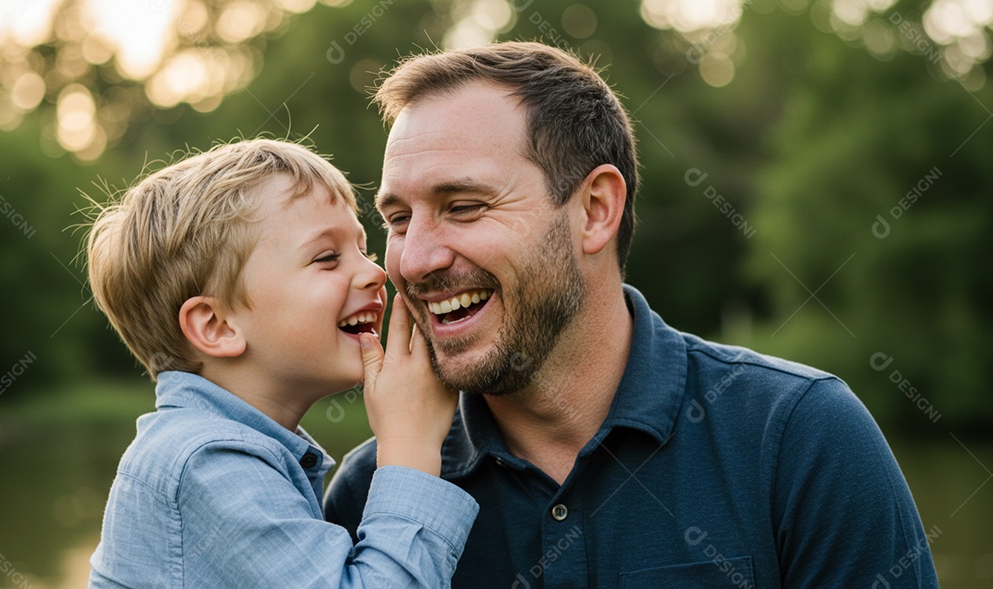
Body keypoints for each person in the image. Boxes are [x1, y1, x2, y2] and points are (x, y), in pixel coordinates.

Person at [323, 42, 938, 588]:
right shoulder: (375, 495)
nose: (414, 259)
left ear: (594, 210)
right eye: (398, 219)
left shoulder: (801, 440)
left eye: (463, 206)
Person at [84, 138, 478, 587]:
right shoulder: (205, 463)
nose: (377, 272)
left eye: (363, 249)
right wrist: (411, 448)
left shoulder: (221, 450)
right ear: (216, 325)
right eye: (327, 258)